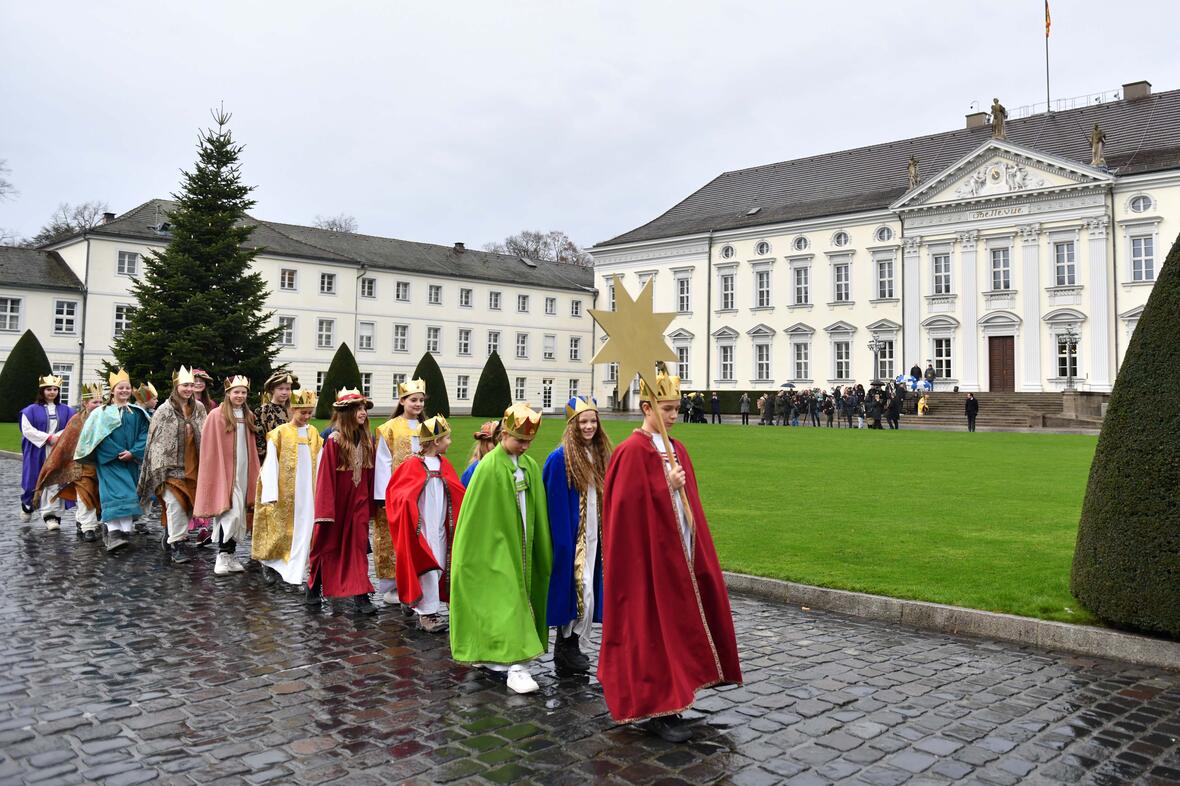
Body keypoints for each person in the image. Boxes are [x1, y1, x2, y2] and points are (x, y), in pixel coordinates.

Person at [598, 371, 742, 743]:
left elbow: (689, 502)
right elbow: (625, 510)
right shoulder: (631, 451)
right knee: (651, 628)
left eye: (677, 408)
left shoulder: (676, 448)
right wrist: (665, 486)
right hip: (647, 560)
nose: (674, 415)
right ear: (647, 408)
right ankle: (653, 707)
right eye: (667, 408)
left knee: (677, 626)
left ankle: (676, 699)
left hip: (679, 550)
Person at [449, 403, 552, 695]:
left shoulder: (530, 466)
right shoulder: (488, 468)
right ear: (504, 434)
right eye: (520, 440)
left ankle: (505, 657)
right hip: (495, 547)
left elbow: (536, 509)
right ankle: (516, 664)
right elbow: (476, 517)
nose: (524, 446)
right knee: (505, 598)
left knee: (517, 597)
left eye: (529, 442)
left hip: (523, 543)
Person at [543, 395, 612, 674]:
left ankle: (575, 646)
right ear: (572, 425)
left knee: (588, 588)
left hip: (594, 533)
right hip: (573, 538)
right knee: (576, 588)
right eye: (583, 421)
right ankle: (566, 644)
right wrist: (563, 543)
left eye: (592, 421)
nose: (589, 426)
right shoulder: (560, 459)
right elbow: (554, 503)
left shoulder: (598, 456)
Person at [385, 415, 465, 633]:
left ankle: (416, 601)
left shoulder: (443, 464)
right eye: (447, 438)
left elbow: (457, 491)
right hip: (421, 528)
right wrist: (409, 510)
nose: (450, 442)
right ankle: (427, 614)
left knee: (440, 564)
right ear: (436, 441)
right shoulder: (412, 465)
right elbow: (397, 493)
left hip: (440, 526)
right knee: (427, 566)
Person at [307, 388, 377, 614]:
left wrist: (370, 504)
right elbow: (325, 477)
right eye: (357, 408)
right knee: (326, 545)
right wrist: (325, 510)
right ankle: (314, 586)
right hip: (336, 505)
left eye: (364, 408)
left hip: (358, 503)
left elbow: (369, 474)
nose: (363, 412)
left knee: (357, 547)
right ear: (346, 412)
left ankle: (361, 595)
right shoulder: (334, 440)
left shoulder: (367, 440)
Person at [73, 370, 150, 552]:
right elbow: (97, 437)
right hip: (110, 462)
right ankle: (114, 532)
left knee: (129, 495)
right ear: (113, 391)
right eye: (120, 388)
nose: (124, 391)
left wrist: (133, 452)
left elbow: (145, 435)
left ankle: (122, 532)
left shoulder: (138, 413)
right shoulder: (101, 413)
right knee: (115, 495)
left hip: (131, 461)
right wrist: (116, 452)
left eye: (127, 388)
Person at [254, 389, 322, 587]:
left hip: (308, 489)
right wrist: (270, 491)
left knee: (305, 527)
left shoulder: (314, 433)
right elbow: (271, 463)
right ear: (292, 410)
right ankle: (269, 562)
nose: (307, 417)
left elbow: (320, 458)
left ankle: (297, 568)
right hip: (284, 489)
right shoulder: (279, 433)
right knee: (281, 529)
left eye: (310, 412)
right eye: (303, 412)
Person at [193, 376, 260, 576]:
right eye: (236, 392)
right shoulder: (216, 415)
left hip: (243, 471)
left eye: (243, 392)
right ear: (228, 393)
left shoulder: (249, 416)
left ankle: (231, 555)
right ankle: (222, 555)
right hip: (226, 474)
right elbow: (209, 448)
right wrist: (217, 472)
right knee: (229, 513)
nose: (240, 396)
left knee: (239, 516)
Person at [138, 367, 206, 564]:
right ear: (176, 386)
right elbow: (155, 440)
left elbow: (205, 432)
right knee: (175, 504)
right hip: (169, 466)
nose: (189, 389)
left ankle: (170, 533)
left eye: (191, 385)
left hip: (193, 464)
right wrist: (159, 465)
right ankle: (178, 544)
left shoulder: (199, 408)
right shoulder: (164, 410)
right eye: (185, 385)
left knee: (187, 506)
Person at [373, 378, 427, 607]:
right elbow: (383, 462)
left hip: (423, 490)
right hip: (398, 492)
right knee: (395, 537)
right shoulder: (389, 429)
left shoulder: (429, 426)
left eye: (421, 400)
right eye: (413, 400)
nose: (418, 404)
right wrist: (385, 496)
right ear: (403, 401)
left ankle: (422, 577)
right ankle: (395, 585)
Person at [35, 383, 104, 542]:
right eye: (94, 402)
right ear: (85, 404)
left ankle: (81, 521)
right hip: (81, 467)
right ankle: (88, 528)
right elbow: (66, 443)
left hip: (102, 466)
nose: (98, 405)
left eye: (101, 402)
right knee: (84, 495)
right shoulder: (76, 420)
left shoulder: (107, 418)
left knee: (96, 495)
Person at [20, 374, 76, 529]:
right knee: (33, 479)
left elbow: (72, 427)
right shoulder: (30, 411)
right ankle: (27, 503)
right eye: (48, 389)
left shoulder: (67, 410)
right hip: (37, 449)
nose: (52, 392)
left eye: (55, 389)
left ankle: (51, 516)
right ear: (42, 391)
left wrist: (57, 437)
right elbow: (27, 430)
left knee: (55, 481)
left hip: (58, 449)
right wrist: (47, 438)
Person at [189, 368, 218, 544]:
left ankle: (204, 527)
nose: (199, 383)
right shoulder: (183, 403)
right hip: (189, 451)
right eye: (195, 380)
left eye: (201, 381)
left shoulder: (211, 405)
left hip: (206, 451)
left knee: (205, 487)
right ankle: (179, 527)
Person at [256, 370, 297, 460]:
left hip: (292, 456)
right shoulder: (263, 411)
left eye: (287, 389)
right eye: (280, 388)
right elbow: (259, 436)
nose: (284, 392)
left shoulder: (294, 410)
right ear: (272, 390)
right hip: (271, 457)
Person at [461, 421, 500, 486]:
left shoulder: (509, 466)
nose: (498, 445)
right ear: (483, 444)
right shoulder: (473, 470)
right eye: (493, 441)